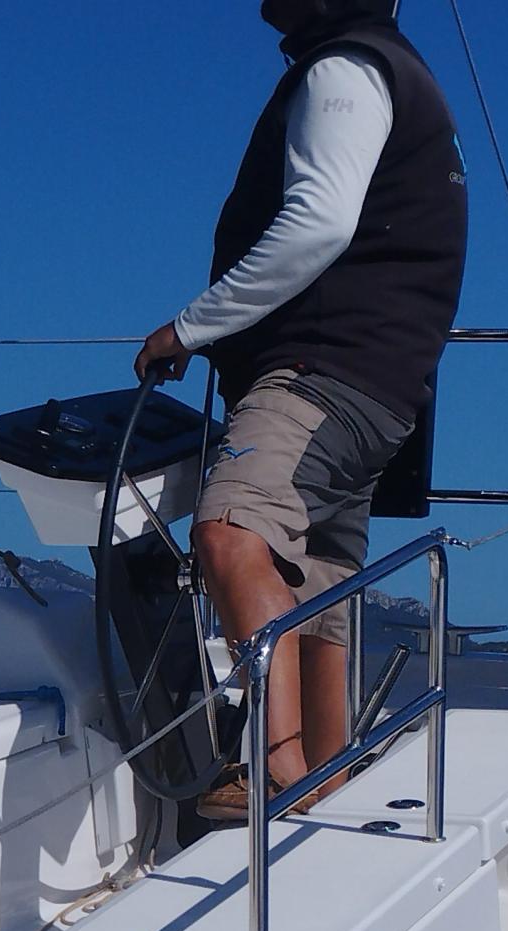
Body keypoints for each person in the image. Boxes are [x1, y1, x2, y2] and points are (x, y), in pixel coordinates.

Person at [136, 0, 466, 799]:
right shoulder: (402, 75)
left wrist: (190, 328)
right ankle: (327, 778)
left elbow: (319, 222)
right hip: (385, 390)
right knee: (320, 586)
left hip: (320, 372)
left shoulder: (346, 69)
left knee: (229, 532)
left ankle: (272, 769)